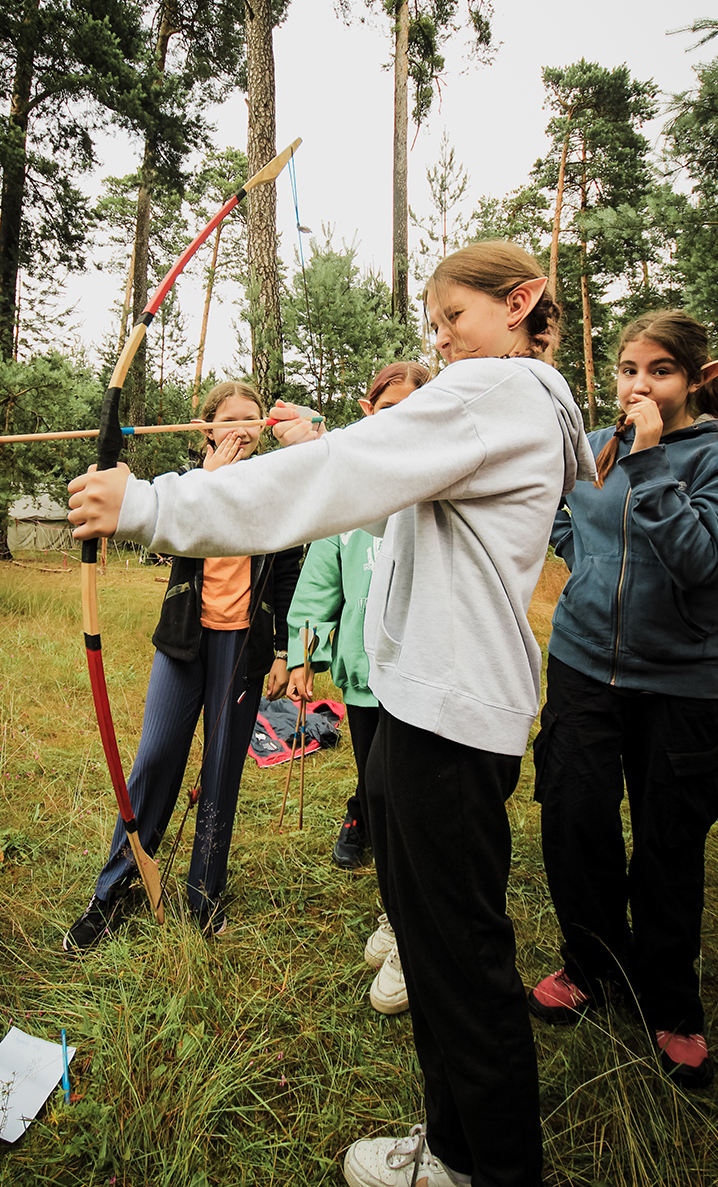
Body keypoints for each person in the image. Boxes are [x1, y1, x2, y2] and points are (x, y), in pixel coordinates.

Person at [68, 240, 596, 1187]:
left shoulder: (495, 392)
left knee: (461, 966)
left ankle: (487, 1167)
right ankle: (453, 1150)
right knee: (440, 955)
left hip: (443, 717)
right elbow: (369, 484)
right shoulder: (506, 403)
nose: (442, 343)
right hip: (427, 707)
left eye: (456, 319)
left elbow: (332, 480)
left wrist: (150, 505)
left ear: (520, 302)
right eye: (432, 327)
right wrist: (319, 448)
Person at [529, 311, 718, 1090]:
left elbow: (701, 559)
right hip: (581, 670)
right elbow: (563, 521)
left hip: (679, 684)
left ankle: (670, 1004)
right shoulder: (594, 446)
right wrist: (585, 562)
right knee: (574, 825)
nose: (638, 385)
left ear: (695, 378)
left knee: (669, 845)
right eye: (629, 369)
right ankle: (590, 970)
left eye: (658, 371)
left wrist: (652, 457)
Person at [63, 381, 301, 950]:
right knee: (156, 758)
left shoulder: (275, 488)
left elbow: (290, 569)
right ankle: (115, 891)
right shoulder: (189, 487)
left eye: (253, 420)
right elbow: (165, 540)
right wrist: (212, 480)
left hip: (243, 646)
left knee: (221, 770)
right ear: (207, 430)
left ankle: (205, 896)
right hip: (184, 642)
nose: (243, 430)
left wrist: (288, 650)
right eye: (231, 420)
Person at [286, 361, 430, 1016]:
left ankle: (411, 931)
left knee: (399, 804)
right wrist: (301, 654)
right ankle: (395, 910)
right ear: (368, 411)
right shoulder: (349, 496)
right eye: (386, 404)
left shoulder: (433, 482)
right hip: (363, 679)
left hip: (419, 681)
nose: (398, 416)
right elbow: (319, 581)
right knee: (378, 801)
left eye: (413, 405)